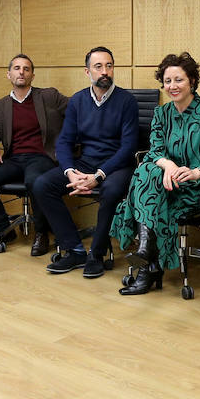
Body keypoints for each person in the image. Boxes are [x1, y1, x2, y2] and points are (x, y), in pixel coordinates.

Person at [110, 52, 200, 295]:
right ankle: (148, 261)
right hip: (162, 185)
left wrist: (197, 172)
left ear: (192, 82)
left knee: (144, 183)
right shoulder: (161, 114)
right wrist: (168, 167)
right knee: (149, 169)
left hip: (195, 187)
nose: (172, 86)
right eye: (167, 81)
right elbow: (155, 149)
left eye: (179, 80)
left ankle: (148, 263)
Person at [32, 46, 139, 280]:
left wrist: (98, 177)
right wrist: (71, 172)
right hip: (86, 163)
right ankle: (76, 249)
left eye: (109, 66)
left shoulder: (127, 101)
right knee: (42, 185)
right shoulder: (78, 101)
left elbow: (128, 148)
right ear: (87, 71)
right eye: (98, 66)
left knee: (110, 191)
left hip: (117, 165)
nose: (105, 72)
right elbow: (65, 141)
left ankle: (97, 254)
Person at [0, 54, 69, 256]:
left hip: (42, 157)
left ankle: (41, 233)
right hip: (14, 159)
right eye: (16, 68)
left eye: (26, 68)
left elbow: (77, 112)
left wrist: (66, 143)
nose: (21, 72)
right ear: (9, 74)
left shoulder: (49, 96)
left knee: (35, 181)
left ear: (32, 75)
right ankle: (5, 230)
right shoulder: (1, 105)